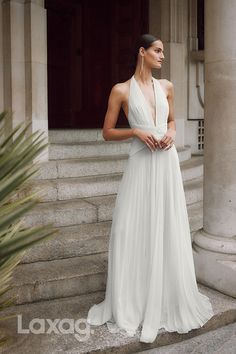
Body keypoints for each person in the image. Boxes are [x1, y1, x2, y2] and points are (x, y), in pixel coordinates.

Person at [86, 33, 214, 343]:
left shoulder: (167, 86)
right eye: (157, 51)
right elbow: (106, 132)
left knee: (167, 225)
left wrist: (171, 133)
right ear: (142, 52)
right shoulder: (120, 90)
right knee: (131, 227)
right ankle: (134, 297)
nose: (162, 56)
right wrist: (136, 132)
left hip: (166, 165)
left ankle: (166, 295)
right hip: (141, 165)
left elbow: (171, 121)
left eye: (162, 51)